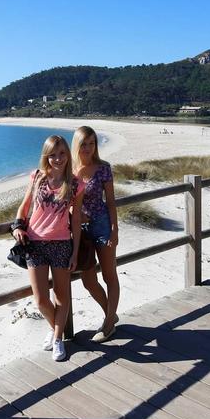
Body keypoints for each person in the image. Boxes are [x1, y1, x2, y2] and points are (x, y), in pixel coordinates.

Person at [12, 135, 85, 362]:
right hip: (34, 244)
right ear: (46, 156)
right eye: (52, 154)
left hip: (62, 244)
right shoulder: (36, 177)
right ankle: (56, 330)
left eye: (62, 153)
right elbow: (24, 207)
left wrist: (75, 251)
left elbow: (75, 222)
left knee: (62, 298)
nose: (58, 158)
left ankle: (56, 339)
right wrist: (16, 227)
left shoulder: (75, 184)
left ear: (67, 155)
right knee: (41, 301)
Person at [71, 126, 120, 342]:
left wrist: (114, 230)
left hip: (102, 226)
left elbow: (110, 202)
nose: (88, 148)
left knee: (109, 275)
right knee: (88, 281)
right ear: (77, 145)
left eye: (92, 143)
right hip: (80, 231)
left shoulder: (103, 168)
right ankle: (112, 313)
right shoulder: (69, 170)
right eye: (84, 144)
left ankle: (108, 324)